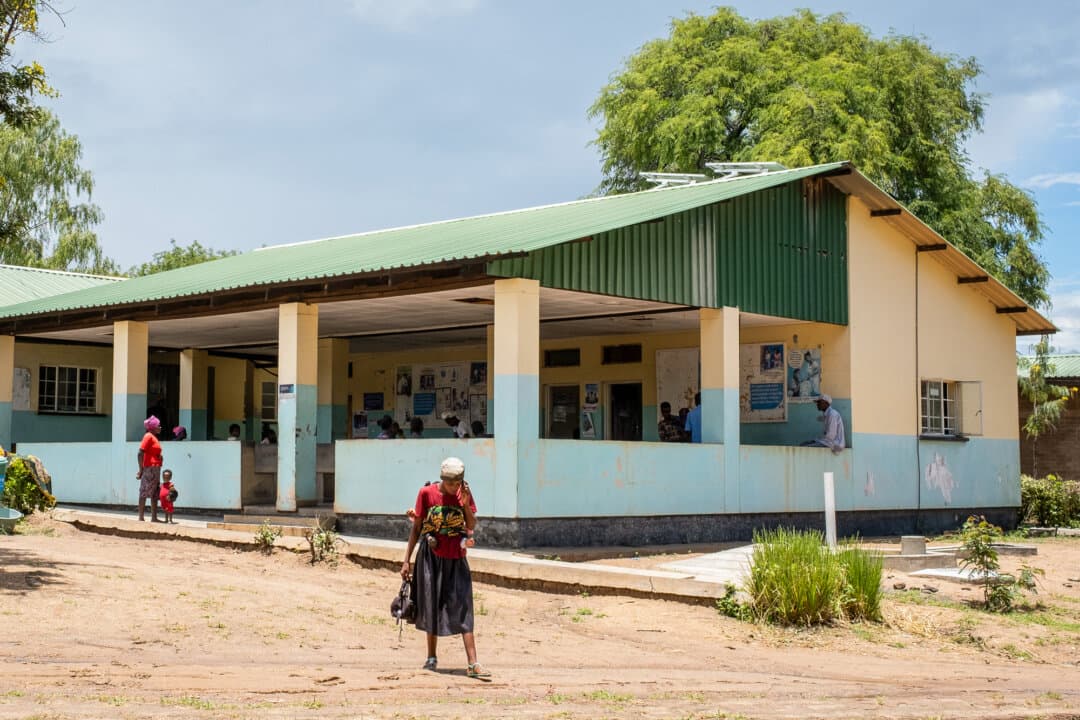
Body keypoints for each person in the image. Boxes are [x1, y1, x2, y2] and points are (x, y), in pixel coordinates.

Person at [401, 457, 491, 679]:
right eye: (450, 483)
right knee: (431, 602)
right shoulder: (427, 494)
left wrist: (466, 502)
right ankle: (431, 657)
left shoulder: (463, 495)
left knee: (463, 606)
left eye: (457, 483)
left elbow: (471, 525)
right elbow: (417, 529)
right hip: (430, 557)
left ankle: (473, 663)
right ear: (442, 479)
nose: (453, 487)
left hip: (456, 558)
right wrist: (406, 560)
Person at [137, 416, 164, 522]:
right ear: (152, 427)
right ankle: (141, 517)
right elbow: (140, 452)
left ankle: (154, 517)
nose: (160, 427)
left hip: (155, 468)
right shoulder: (148, 436)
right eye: (158, 425)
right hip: (149, 468)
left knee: (154, 493)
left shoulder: (154, 437)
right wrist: (141, 469)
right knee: (144, 491)